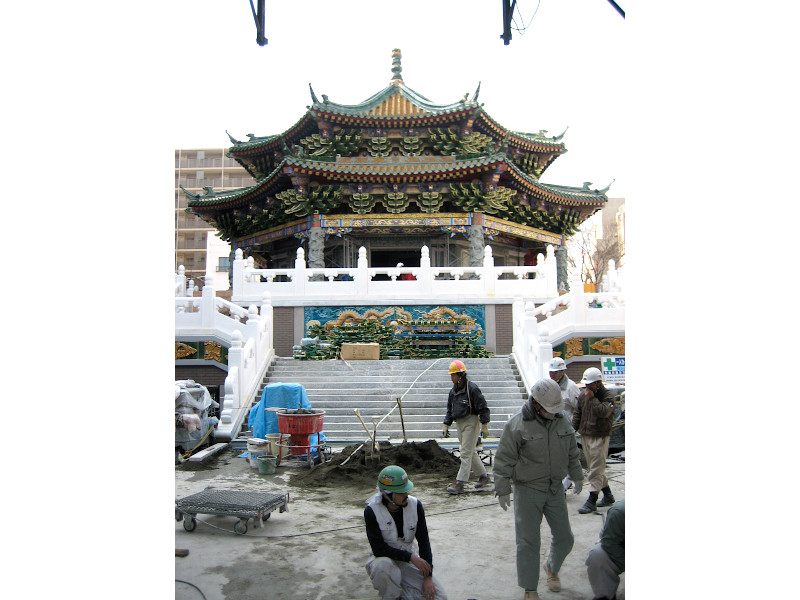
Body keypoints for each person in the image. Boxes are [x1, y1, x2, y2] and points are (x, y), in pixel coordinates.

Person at [493, 378, 584, 600]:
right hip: (528, 490)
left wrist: (577, 475)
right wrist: (502, 488)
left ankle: (551, 567)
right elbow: (503, 459)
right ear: (536, 403)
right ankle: (530, 589)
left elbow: (572, 452)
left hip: (554, 490)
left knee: (565, 538)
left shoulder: (562, 422)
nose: (553, 413)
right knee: (528, 542)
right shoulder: (516, 425)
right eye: (549, 410)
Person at [364, 465, 448, 600]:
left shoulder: (415, 506)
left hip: (408, 561)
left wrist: (428, 576)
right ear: (387, 495)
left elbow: (424, 541)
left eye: (406, 490)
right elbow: (379, 549)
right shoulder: (372, 511)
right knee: (383, 566)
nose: (406, 495)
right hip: (385, 559)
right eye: (401, 492)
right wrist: (411, 557)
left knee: (439, 597)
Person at [442, 359, 491, 494]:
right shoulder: (453, 392)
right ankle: (483, 476)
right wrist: (446, 424)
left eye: (453, 375)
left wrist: (484, 425)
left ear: (460, 375)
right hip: (459, 422)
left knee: (465, 452)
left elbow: (483, 407)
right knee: (470, 451)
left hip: (471, 421)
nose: (451, 377)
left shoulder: (472, 389)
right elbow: (449, 409)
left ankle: (460, 482)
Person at [572, 367, 616, 514]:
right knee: (594, 467)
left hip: (600, 435)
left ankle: (592, 499)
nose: (587, 387)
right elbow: (578, 413)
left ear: (598, 383)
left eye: (590, 384)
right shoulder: (583, 395)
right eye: (586, 384)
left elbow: (604, 412)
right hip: (585, 434)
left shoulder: (608, 396)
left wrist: (592, 398)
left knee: (596, 467)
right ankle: (608, 495)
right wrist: (573, 429)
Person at [548, 357, 581, 493]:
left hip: (566, 428)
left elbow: (578, 408)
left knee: (565, 457)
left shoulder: (571, 387)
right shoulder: (550, 385)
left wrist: (574, 427)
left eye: (554, 372)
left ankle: (564, 484)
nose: (551, 375)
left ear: (562, 372)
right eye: (550, 372)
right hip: (552, 427)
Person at [585, 499, 625, 600]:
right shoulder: (619, 512)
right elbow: (609, 544)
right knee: (598, 555)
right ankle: (605, 594)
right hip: (621, 548)